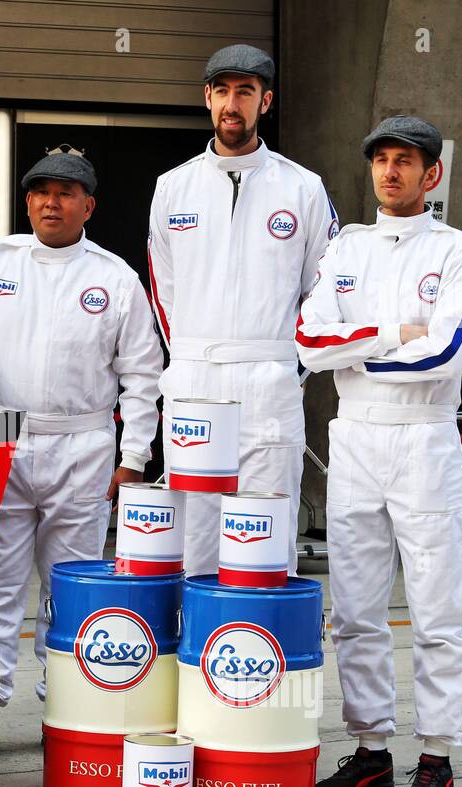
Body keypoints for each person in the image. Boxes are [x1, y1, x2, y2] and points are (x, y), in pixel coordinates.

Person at [0, 147, 162, 754]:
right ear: (27, 200)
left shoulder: (114, 276)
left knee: (70, 588)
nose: (50, 202)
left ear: (89, 205)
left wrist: (133, 458)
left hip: (83, 446)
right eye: (40, 192)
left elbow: (144, 376)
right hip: (0, 439)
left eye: (65, 192)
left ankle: (67, 707)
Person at [295, 116, 462, 787]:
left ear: (432, 174)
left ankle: (436, 757)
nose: (391, 172)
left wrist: (355, 349)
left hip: (424, 437)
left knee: (437, 607)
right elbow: (309, 342)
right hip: (355, 438)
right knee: (353, 611)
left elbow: (447, 354)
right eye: (381, 160)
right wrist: (390, 335)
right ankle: (372, 752)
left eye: (406, 161)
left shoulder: (457, 251)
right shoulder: (346, 249)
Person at [148, 43, 337, 576]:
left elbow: (320, 293)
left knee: (267, 539)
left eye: (246, 92)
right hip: (195, 378)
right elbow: (163, 290)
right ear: (208, 98)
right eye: (224, 91)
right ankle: (199, 658)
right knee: (194, 543)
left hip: (269, 379)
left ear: (265, 101)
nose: (234, 104)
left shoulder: (303, 187)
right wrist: (186, 362)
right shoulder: (172, 187)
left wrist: (288, 368)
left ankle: (262, 657)